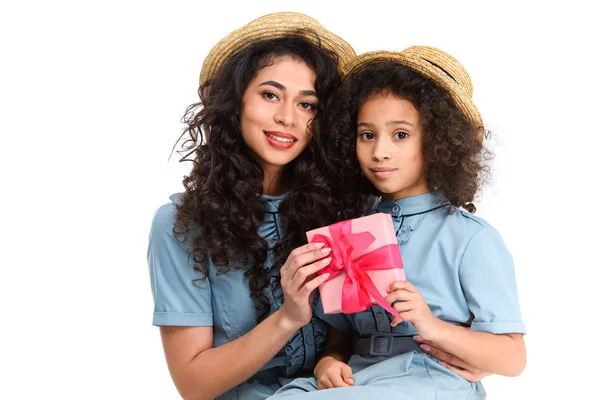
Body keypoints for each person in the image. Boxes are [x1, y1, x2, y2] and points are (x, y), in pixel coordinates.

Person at [268, 46, 526, 399]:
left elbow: (513, 358)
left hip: (429, 379)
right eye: (367, 134)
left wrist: (430, 324)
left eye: (400, 135)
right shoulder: (352, 229)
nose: (380, 152)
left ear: (437, 142)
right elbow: (342, 335)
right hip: (360, 378)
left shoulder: (469, 238)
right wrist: (328, 362)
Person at [147, 12, 360, 400]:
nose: (287, 118)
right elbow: (193, 385)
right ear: (236, 102)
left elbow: (361, 327)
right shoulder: (182, 225)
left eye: (307, 105)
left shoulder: (346, 205)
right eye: (270, 95)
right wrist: (288, 318)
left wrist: (331, 356)